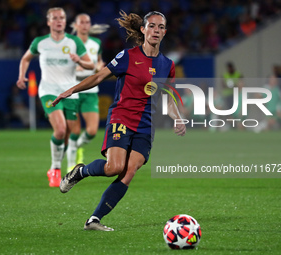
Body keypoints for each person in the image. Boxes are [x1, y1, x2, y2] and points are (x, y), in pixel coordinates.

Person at [52, 10, 186, 231]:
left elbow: (168, 98)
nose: (156, 30)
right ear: (143, 30)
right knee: (114, 167)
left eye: (161, 27)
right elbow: (98, 77)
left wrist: (177, 118)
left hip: (146, 125)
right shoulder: (128, 56)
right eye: (151, 26)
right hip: (122, 117)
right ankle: (81, 171)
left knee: (129, 171)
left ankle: (94, 220)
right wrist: (71, 90)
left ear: (164, 32)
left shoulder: (167, 65)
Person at [16, 7, 94, 187]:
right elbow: (25, 58)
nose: (59, 21)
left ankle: (63, 162)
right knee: (60, 129)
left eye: (62, 18)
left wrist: (79, 61)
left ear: (66, 22)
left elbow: (90, 65)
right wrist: (22, 76)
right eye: (55, 18)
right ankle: (55, 168)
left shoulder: (74, 42)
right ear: (48, 22)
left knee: (70, 133)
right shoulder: (40, 42)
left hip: (69, 92)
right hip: (48, 91)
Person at [66, 14, 107, 171]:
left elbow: (99, 63)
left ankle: (78, 147)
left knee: (91, 131)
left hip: (90, 90)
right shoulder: (68, 43)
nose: (85, 25)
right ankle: (71, 166)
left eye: (87, 22)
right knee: (74, 130)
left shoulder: (96, 43)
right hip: (73, 89)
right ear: (75, 25)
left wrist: (98, 67)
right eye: (81, 22)